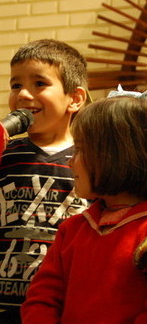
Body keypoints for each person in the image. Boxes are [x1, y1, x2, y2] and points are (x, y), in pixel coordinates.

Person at [21, 95, 147, 324]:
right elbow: (42, 299)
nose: (70, 162)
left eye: (80, 149)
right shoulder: (72, 230)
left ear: (118, 156)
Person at [0, 39, 88, 323]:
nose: (24, 94)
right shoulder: (5, 154)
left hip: (61, 304)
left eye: (39, 83)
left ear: (74, 99)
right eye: (16, 85)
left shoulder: (90, 160)